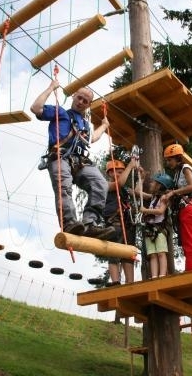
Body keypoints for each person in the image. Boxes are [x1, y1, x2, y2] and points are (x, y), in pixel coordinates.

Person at [30, 79, 114, 239]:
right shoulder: (60, 112)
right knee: (64, 187)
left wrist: (104, 126)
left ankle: (90, 223)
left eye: (85, 101)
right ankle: (69, 223)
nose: (81, 102)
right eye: (79, 98)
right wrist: (51, 88)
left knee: (100, 184)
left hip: (80, 161)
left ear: (88, 105)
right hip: (60, 156)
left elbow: (92, 138)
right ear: (73, 96)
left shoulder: (85, 124)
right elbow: (36, 108)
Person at [163, 143, 192, 274]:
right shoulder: (178, 172)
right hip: (185, 208)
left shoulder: (185, 168)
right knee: (187, 240)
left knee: (190, 240)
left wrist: (173, 192)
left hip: (189, 207)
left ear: (178, 158)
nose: (168, 163)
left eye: (170, 160)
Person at [103, 159, 139, 286]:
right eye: (117, 172)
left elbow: (138, 193)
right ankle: (115, 281)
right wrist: (130, 166)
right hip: (114, 223)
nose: (120, 174)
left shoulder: (125, 189)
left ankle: (130, 283)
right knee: (113, 252)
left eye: (121, 172)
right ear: (110, 173)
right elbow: (119, 183)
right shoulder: (106, 185)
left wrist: (141, 178)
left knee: (128, 254)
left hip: (127, 224)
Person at [138, 173, 173, 279]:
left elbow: (160, 211)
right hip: (150, 229)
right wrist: (141, 179)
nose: (151, 184)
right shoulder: (153, 197)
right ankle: (154, 276)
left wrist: (146, 210)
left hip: (159, 229)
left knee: (161, 253)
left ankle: (162, 275)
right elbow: (137, 192)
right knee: (152, 254)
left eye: (154, 182)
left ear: (159, 185)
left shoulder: (164, 198)